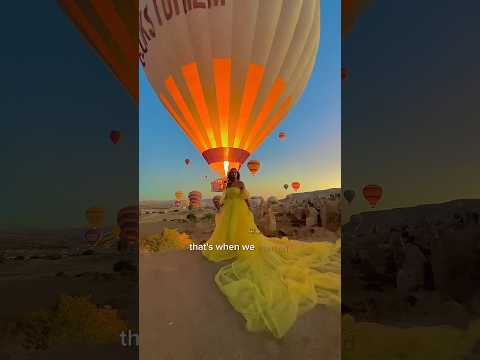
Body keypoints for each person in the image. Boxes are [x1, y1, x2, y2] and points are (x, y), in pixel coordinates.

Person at [202, 168, 340, 338]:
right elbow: (225, 199)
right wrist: (220, 207)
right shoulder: (229, 185)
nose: (234, 175)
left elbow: (245, 199)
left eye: (235, 173)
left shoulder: (241, 184)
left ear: (238, 175)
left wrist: (249, 211)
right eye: (232, 173)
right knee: (230, 232)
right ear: (230, 176)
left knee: (242, 233)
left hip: (240, 211)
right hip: (230, 210)